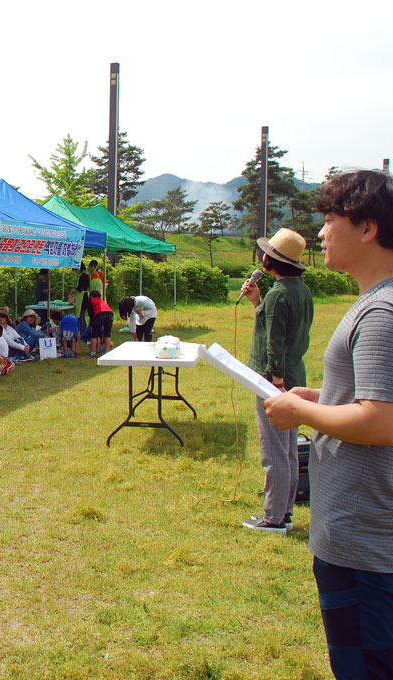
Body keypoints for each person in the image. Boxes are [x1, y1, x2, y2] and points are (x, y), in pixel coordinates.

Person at [262, 170, 393, 679]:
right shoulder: (374, 303)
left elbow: (382, 419)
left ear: (367, 228)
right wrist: (325, 398)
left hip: (364, 541)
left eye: (330, 219)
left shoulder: (380, 312)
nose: (320, 233)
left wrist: (302, 413)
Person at [237, 228, 314, 535]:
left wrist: (276, 381)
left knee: (274, 452)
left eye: (266, 252)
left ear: (272, 261)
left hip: (275, 381)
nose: (262, 256)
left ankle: (273, 518)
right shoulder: (299, 291)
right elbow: (278, 329)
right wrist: (258, 303)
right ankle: (285, 511)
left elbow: (274, 344)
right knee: (289, 448)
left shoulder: (279, 294)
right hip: (295, 375)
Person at [87, 290, 114, 357]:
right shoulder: (102, 300)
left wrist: (92, 322)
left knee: (94, 334)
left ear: (91, 296)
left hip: (100, 314)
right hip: (110, 314)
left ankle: (93, 353)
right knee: (107, 334)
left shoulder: (91, 300)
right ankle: (107, 351)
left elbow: (90, 313)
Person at [76, 265, 91, 332]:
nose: (76, 271)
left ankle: (82, 331)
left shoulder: (83, 276)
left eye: (76, 270)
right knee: (82, 315)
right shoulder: (86, 275)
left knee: (81, 316)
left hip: (83, 298)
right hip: (85, 297)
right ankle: (83, 331)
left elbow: (79, 289)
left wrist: (73, 291)